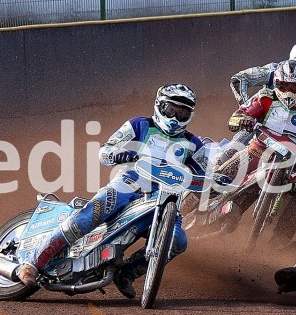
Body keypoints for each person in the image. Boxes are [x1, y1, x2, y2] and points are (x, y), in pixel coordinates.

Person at [17, 84, 206, 299]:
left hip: (164, 198)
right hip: (127, 185)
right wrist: (121, 155)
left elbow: (205, 174)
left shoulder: (193, 144)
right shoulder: (139, 125)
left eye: (182, 112)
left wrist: (216, 182)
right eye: (170, 109)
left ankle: (127, 273)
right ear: (159, 106)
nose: (175, 117)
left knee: (178, 241)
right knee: (87, 218)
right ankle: (32, 263)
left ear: (190, 114)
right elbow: (105, 152)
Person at [218, 59, 296, 248]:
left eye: (295, 86)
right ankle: (181, 211)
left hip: (287, 163)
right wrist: (243, 120)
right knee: (216, 180)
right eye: (284, 85)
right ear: (276, 83)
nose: (289, 91)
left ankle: (280, 237)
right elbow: (238, 115)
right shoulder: (265, 97)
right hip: (255, 152)